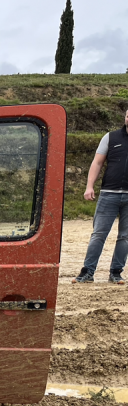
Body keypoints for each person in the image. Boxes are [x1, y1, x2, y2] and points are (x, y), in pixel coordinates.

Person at [73, 107, 128, 284]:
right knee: (98, 234)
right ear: (125, 117)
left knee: (125, 236)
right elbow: (97, 162)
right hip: (108, 194)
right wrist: (89, 186)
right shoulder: (110, 137)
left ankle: (116, 272)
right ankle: (87, 272)